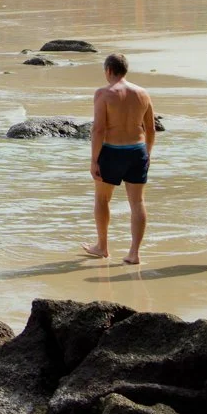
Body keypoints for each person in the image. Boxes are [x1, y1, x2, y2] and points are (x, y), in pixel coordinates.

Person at [85, 52, 156, 264]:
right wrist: (148, 154)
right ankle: (134, 253)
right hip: (137, 151)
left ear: (108, 71)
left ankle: (102, 247)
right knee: (137, 202)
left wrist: (94, 159)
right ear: (125, 70)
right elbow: (151, 128)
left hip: (112, 151)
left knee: (102, 199)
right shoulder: (143, 93)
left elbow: (98, 129)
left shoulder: (104, 93)